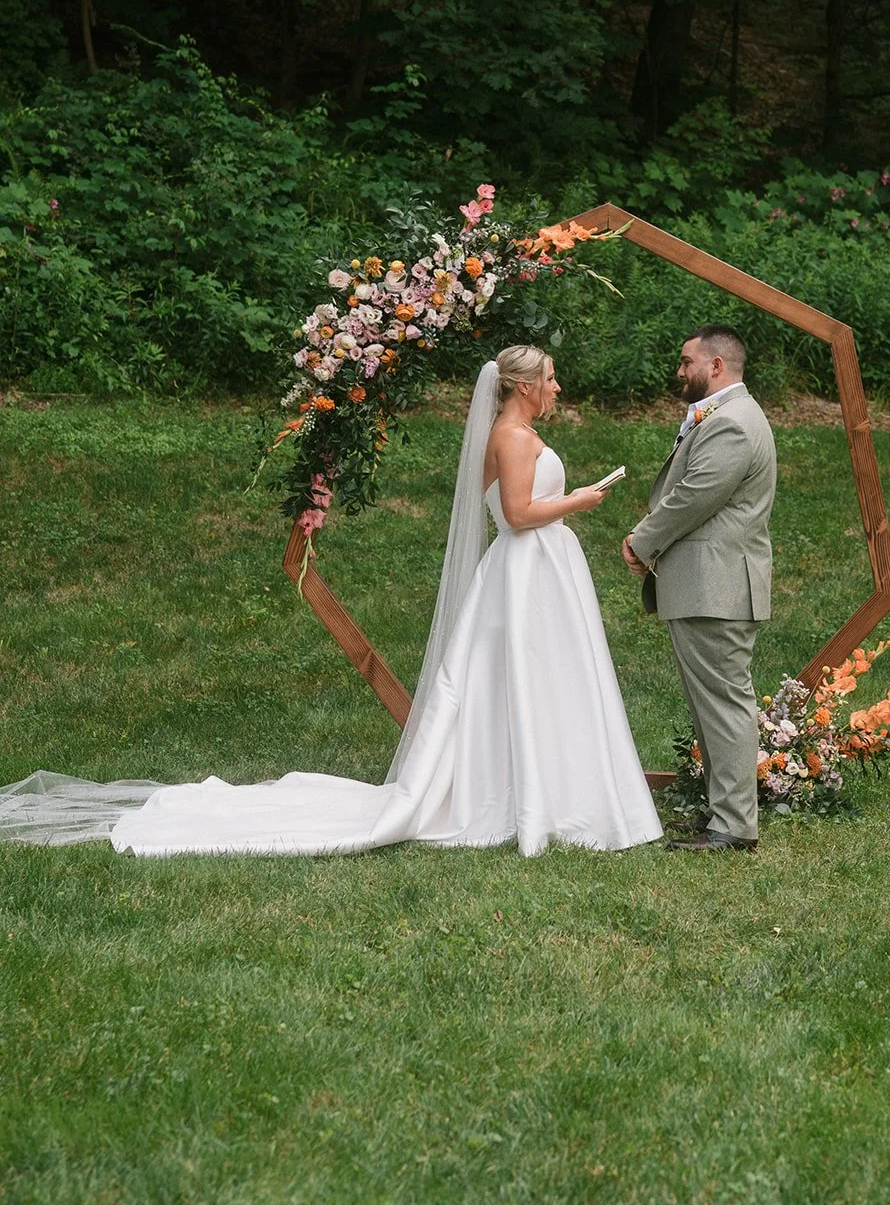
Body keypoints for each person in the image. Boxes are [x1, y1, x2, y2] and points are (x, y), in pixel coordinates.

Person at [0, 348, 662, 858]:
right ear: (523, 385)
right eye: (549, 380)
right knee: (520, 678)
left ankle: (544, 785)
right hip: (522, 570)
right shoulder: (514, 438)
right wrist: (581, 501)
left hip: (536, 574)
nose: (557, 389)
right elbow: (518, 515)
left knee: (537, 683)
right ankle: (528, 796)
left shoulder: (513, 435)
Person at [622, 325, 776, 853]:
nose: (679, 370)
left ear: (716, 366)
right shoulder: (727, 416)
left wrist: (643, 541)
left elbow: (695, 496)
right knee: (711, 704)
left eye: (687, 361)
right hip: (709, 585)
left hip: (720, 586)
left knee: (725, 704)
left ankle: (734, 827)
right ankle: (723, 816)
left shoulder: (733, 422)